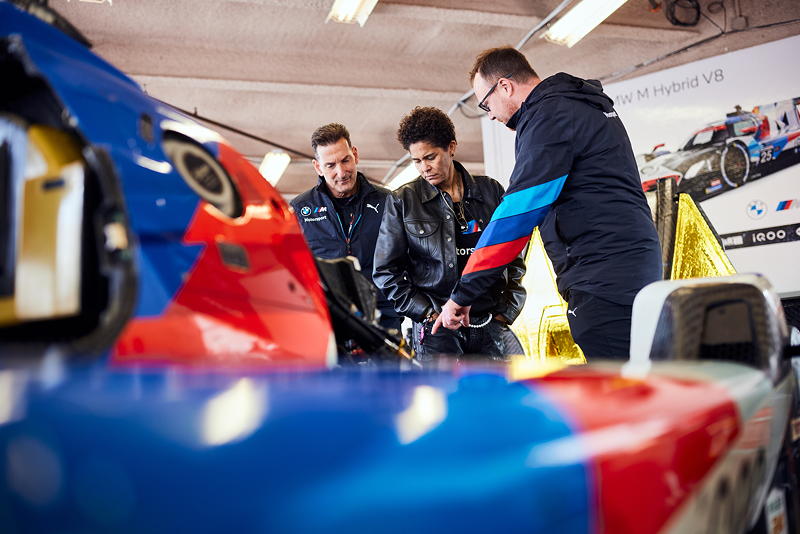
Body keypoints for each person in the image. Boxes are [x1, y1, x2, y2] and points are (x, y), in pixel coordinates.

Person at [434, 47, 662, 359]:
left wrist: (464, 292)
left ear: (505, 86)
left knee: (619, 387)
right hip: (630, 264)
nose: (489, 114)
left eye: (486, 104)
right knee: (640, 376)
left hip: (602, 275)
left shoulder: (549, 117)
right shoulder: (581, 106)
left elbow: (519, 212)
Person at [373, 106, 526, 363]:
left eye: (430, 157)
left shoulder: (490, 191)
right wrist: (428, 314)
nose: (424, 168)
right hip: (437, 329)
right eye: (416, 161)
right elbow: (386, 272)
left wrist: (506, 311)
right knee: (443, 401)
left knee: (500, 400)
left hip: (489, 323)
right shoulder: (403, 201)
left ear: (451, 147)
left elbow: (512, 256)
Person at [291, 123, 402, 332]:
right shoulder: (300, 209)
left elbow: (405, 259)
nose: (341, 172)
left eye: (345, 160)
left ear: (355, 155)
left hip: (383, 317)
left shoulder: (388, 202)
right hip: (328, 320)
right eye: (330, 165)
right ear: (318, 167)